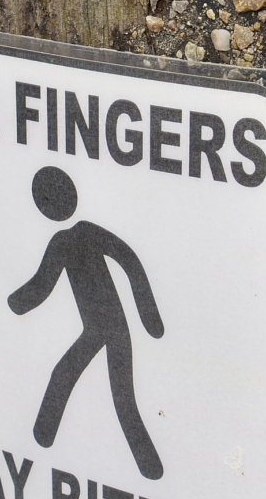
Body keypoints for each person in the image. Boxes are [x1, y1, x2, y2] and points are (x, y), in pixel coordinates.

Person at [10, 166, 165, 480]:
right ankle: (43, 435)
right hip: (98, 329)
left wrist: (151, 318)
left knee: (120, 397)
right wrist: (17, 302)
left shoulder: (81, 235)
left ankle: (150, 468)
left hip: (111, 327)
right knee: (76, 379)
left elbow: (129, 261)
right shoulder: (63, 242)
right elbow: (43, 284)